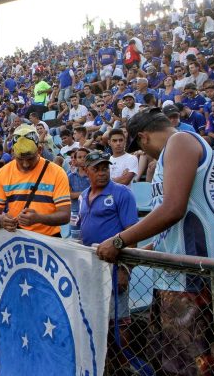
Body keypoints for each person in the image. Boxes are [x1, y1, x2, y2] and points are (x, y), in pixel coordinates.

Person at [96, 110, 214, 375]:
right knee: (172, 363)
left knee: (193, 365)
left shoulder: (181, 142)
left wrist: (119, 240)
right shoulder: (171, 154)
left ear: (143, 137)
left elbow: (173, 209)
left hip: (194, 278)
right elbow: (173, 225)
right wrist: (141, 251)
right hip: (178, 278)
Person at [77, 150, 139, 372]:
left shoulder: (122, 194)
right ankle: (102, 361)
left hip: (114, 266)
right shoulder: (84, 195)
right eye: (97, 168)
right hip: (91, 266)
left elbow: (132, 234)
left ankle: (123, 363)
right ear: (86, 171)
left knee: (119, 319)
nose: (103, 173)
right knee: (95, 316)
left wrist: (125, 269)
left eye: (106, 168)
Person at [0, 125, 71, 236]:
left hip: (50, 240)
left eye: (30, 158)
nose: (25, 164)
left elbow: (65, 215)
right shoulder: (1, 174)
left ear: (40, 150)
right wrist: (1, 220)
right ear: (13, 152)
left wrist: (39, 218)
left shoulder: (57, 172)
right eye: (20, 159)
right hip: (17, 238)